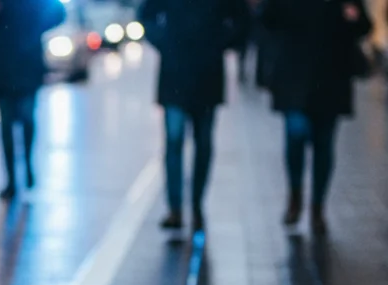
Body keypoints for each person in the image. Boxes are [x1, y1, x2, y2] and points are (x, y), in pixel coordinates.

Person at [262, 0, 371, 233]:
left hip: (330, 79)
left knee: (323, 144)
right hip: (295, 77)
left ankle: (317, 206)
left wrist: (351, 18)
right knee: (296, 136)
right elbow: (268, 18)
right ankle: (295, 195)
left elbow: (364, 26)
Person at [140, 0, 249, 232]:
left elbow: (242, 18)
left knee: (202, 142)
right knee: (175, 140)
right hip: (176, 72)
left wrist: (220, 42)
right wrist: (164, 42)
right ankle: (176, 207)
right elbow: (146, 15)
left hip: (206, 73)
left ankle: (196, 203)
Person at [0, 0, 66, 200]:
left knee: (27, 118)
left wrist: (37, 25)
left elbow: (58, 13)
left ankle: (28, 166)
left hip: (27, 65)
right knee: (6, 124)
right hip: (3, 67)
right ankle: (11, 179)